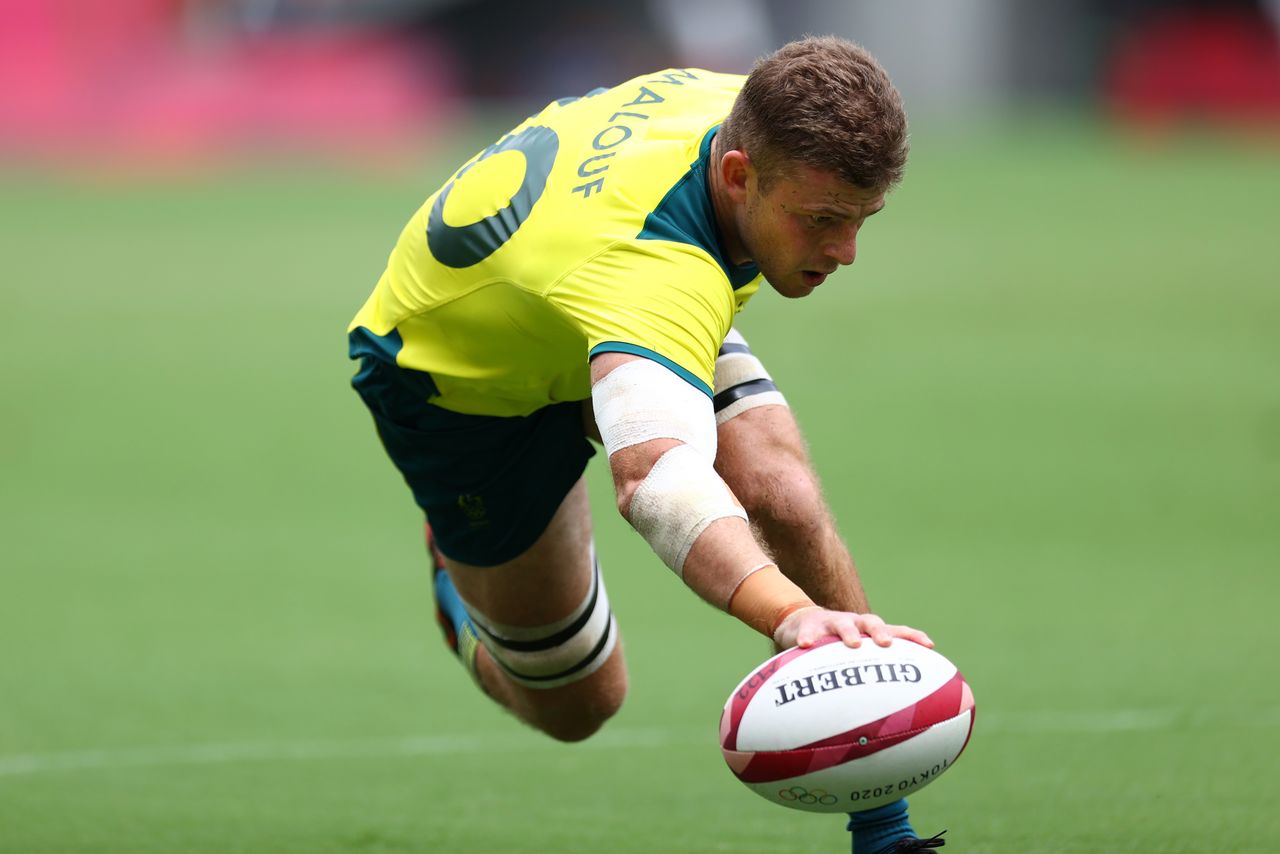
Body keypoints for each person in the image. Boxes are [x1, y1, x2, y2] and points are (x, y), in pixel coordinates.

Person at [348, 36, 946, 853]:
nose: (845, 252)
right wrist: (792, 618)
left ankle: (884, 826)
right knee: (580, 704)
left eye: (862, 219)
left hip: (591, 298)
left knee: (783, 493)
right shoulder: (656, 271)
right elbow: (658, 483)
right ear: (737, 175)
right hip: (458, 383)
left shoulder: (755, 109)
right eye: (823, 221)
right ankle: (459, 580)